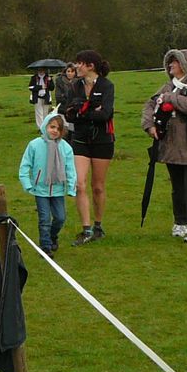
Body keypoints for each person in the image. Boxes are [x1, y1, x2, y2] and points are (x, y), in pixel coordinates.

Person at [141, 49, 187, 244]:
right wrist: (149, 126)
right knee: (178, 187)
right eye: (170, 61)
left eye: (175, 62)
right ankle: (181, 222)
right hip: (173, 147)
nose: (170, 65)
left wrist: (168, 98)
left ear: (186, 65)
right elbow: (150, 105)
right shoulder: (169, 86)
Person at [62, 49, 115, 246]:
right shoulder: (74, 86)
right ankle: (86, 229)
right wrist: (88, 110)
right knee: (79, 184)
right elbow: (68, 114)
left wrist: (82, 112)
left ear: (90, 66)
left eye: (80, 63)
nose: (76, 67)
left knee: (98, 187)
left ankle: (98, 225)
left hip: (103, 140)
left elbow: (106, 114)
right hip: (80, 139)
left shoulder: (107, 86)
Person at [18, 112, 77, 257]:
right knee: (44, 219)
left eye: (58, 129)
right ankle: (45, 247)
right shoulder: (34, 145)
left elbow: (70, 169)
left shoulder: (65, 148)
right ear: (45, 126)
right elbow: (25, 165)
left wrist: (71, 187)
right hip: (40, 189)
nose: (54, 131)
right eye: (52, 127)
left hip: (57, 189)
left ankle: (52, 236)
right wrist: (27, 183)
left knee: (60, 218)